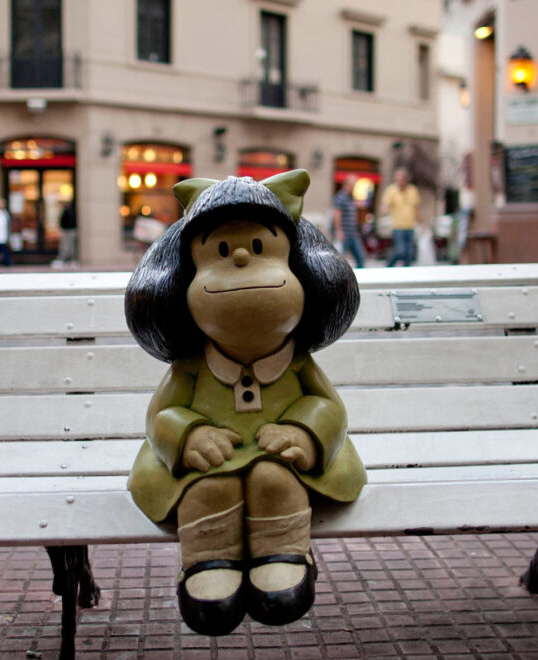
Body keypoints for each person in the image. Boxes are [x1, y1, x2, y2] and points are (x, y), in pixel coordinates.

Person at [125, 170, 365, 636]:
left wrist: (305, 431)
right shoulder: (192, 367)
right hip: (205, 465)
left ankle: (285, 551)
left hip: (284, 459)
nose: (238, 257)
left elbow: (328, 406)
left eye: (259, 249)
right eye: (219, 251)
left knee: (275, 478)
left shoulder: (297, 363)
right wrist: (188, 433)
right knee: (206, 488)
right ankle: (206, 560)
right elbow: (160, 416)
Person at [381, 168, 419, 267]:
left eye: (400, 178)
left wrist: (420, 221)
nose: (398, 181)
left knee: (409, 254)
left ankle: (406, 273)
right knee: (400, 251)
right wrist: (384, 210)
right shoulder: (391, 191)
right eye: (397, 178)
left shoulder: (413, 190)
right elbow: (385, 205)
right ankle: (388, 266)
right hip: (398, 226)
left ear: (406, 179)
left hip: (410, 226)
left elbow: (416, 208)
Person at [331, 174, 365, 268]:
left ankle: (362, 275)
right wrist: (338, 230)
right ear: (347, 184)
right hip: (344, 234)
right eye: (352, 185)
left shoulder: (350, 198)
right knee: (339, 259)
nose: (354, 187)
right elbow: (337, 214)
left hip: (352, 233)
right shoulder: (341, 196)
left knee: (360, 256)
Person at [57, 200, 78, 265]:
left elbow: (69, 222)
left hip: (69, 231)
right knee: (66, 246)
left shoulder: (70, 212)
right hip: (67, 230)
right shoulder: (67, 211)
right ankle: (67, 259)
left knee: (69, 246)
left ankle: (70, 259)